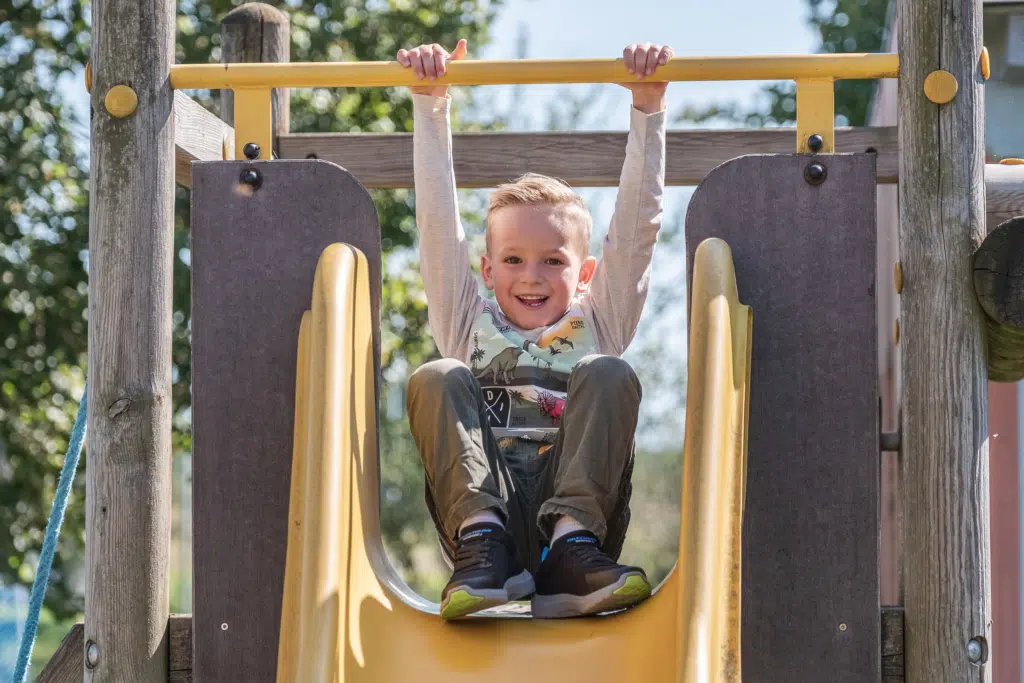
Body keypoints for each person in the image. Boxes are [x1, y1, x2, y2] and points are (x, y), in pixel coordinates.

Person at [398, 39, 671, 620]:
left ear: (586, 273)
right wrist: (430, 102)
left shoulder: (600, 318)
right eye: (515, 260)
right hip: (482, 511)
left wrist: (648, 108)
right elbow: (437, 225)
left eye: (554, 260)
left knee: (607, 372)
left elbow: (638, 230)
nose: (533, 275)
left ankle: (569, 554)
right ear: (487, 269)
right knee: (438, 375)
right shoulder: (466, 320)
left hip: (576, 510)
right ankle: (486, 544)